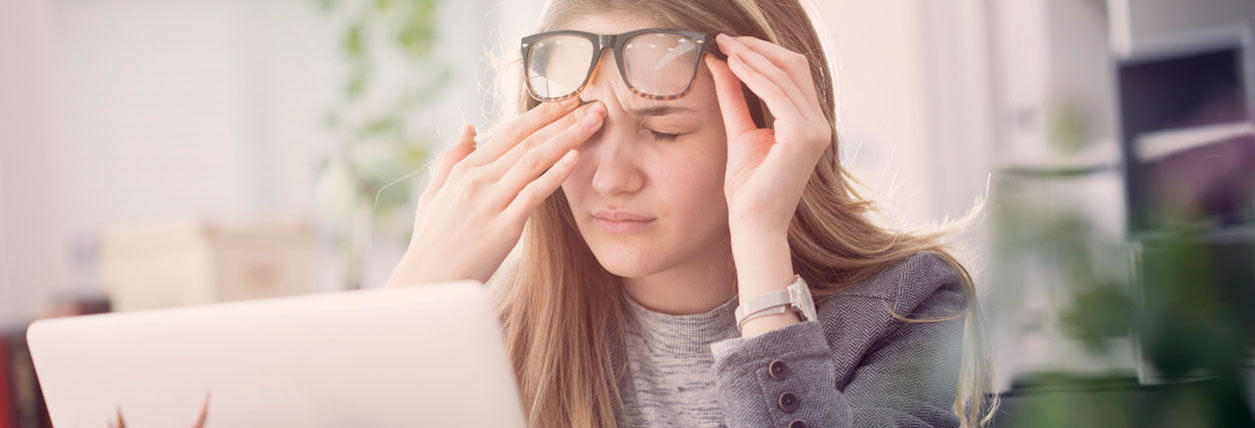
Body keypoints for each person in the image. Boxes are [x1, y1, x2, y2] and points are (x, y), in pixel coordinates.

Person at [386, 0, 996, 427]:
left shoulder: (903, 305)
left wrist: (761, 243)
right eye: (584, 130)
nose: (610, 177)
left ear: (768, 128)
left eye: (664, 131)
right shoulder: (499, 328)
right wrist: (412, 297)